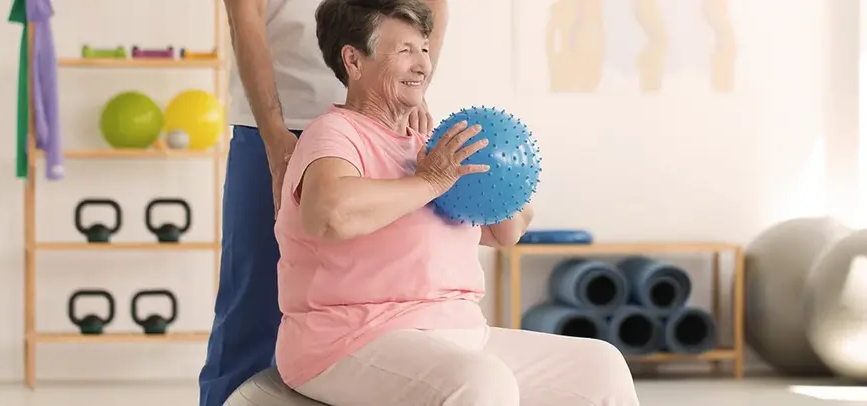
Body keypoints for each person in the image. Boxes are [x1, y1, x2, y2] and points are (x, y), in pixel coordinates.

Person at [272, 0, 642, 405]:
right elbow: (330, 215)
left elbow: (505, 232)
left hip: (463, 333)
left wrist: (505, 183)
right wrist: (430, 180)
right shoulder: (335, 134)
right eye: (405, 51)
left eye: (425, 50)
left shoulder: (431, 147)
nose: (422, 66)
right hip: (351, 339)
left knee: (599, 367)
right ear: (353, 61)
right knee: (482, 382)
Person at [198, 0, 448, 404]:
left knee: (382, 295)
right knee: (252, 300)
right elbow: (245, 21)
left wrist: (410, 89)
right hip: (276, 124)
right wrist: (274, 134)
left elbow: (431, 7)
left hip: (376, 118)